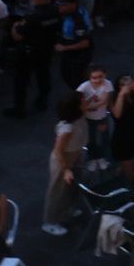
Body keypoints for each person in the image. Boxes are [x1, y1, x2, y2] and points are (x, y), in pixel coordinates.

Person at [43, 93, 87, 236]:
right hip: (64, 159)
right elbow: (58, 150)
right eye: (83, 101)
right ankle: (50, 221)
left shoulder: (80, 115)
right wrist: (66, 169)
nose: (86, 102)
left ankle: (68, 208)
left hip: (76, 155)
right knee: (58, 191)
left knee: (72, 186)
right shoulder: (67, 129)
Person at [108, 74, 134, 185]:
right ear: (119, 87)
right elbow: (117, 114)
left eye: (131, 83)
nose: (129, 86)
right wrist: (121, 95)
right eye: (125, 85)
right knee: (133, 175)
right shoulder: (113, 98)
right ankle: (133, 187)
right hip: (123, 139)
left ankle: (122, 168)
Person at [76, 65, 114, 172]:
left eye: (100, 76)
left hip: (101, 117)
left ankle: (101, 157)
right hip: (87, 119)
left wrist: (88, 107)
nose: (97, 80)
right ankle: (92, 158)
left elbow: (104, 101)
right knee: (91, 138)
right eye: (94, 77)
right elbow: (79, 105)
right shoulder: (83, 88)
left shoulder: (108, 84)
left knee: (103, 138)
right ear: (89, 77)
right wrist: (89, 107)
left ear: (105, 75)